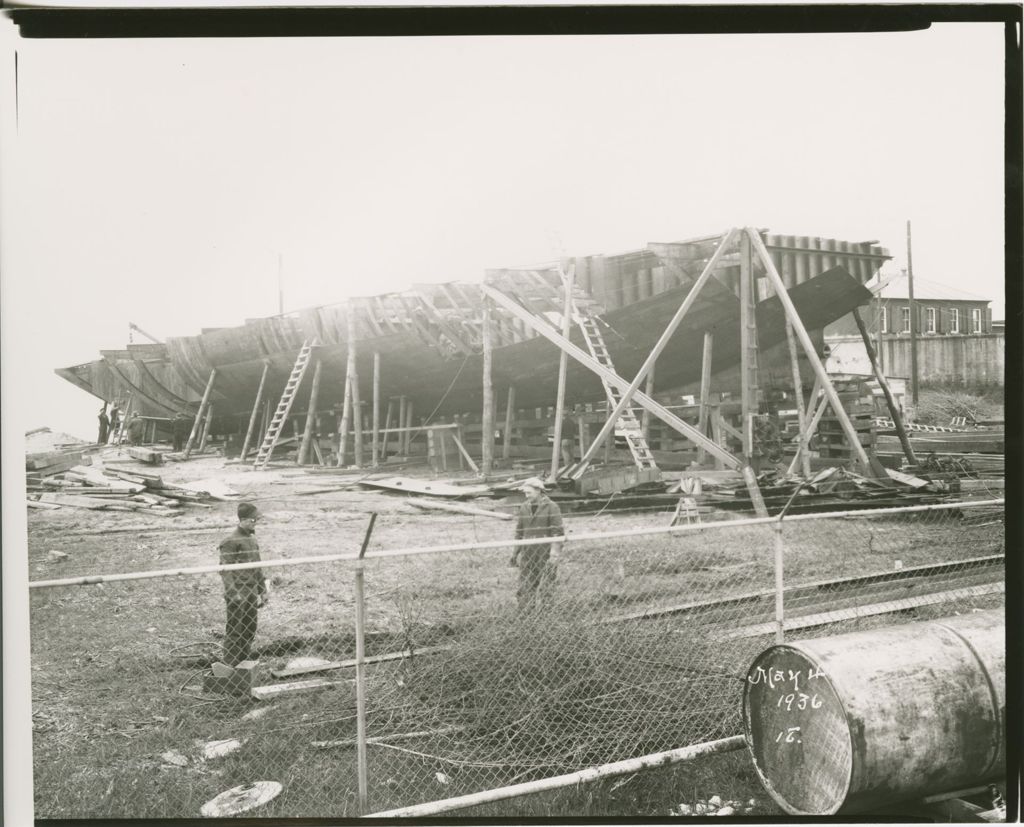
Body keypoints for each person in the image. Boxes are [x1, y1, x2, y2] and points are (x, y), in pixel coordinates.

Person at [218, 502, 269, 666]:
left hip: (251, 592)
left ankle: (244, 663)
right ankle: (229, 667)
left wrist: (263, 591)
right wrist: (234, 594)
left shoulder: (252, 540)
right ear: (244, 520)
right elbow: (225, 570)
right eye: (254, 520)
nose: (256, 523)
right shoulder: (230, 542)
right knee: (235, 631)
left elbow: (258, 567)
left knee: (249, 628)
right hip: (238, 594)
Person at [510, 477, 564, 611]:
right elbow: (519, 531)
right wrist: (515, 553)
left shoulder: (551, 507)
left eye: (529, 493)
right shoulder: (524, 507)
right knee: (525, 583)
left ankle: (547, 612)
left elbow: (558, 532)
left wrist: (554, 554)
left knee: (546, 583)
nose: (526, 496)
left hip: (544, 552)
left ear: (539, 491)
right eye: (525, 493)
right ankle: (526, 611)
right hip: (527, 552)